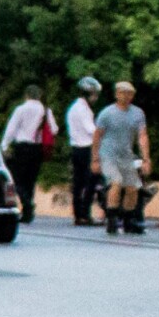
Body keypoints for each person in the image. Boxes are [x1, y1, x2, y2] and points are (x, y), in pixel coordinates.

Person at [94, 80, 151, 233]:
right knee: (117, 182)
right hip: (108, 155)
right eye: (123, 93)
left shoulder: (137, 113)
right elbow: (97, 136)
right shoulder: (107, 113)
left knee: (132, 188)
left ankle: (128, 219)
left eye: (130, 93)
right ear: (116, 94)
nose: (126, 96)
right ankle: (112, 219)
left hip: (126, 156)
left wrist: (146, 158)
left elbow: (142, 136)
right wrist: (95, 159)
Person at [0, 85, 53, 223]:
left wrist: (4, 145)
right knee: (31, 179)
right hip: (37, 148)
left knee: (17, 178)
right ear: (39, 95)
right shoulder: (46, 111)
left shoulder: (21, 109)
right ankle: (28, 212)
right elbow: (54, 128)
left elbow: (12, 128)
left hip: (22, 147)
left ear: (26, 95)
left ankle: (27, 205)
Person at [65, 77, 102, 224]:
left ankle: (78, 214)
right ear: (87, 93)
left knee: (78, 183)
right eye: (94, 94)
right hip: (86, 149)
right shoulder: (83, 110)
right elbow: (91, 130)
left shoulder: (73, 108)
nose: (95, 98)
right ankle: (85, 214)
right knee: (90, 182)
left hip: (76, 149)